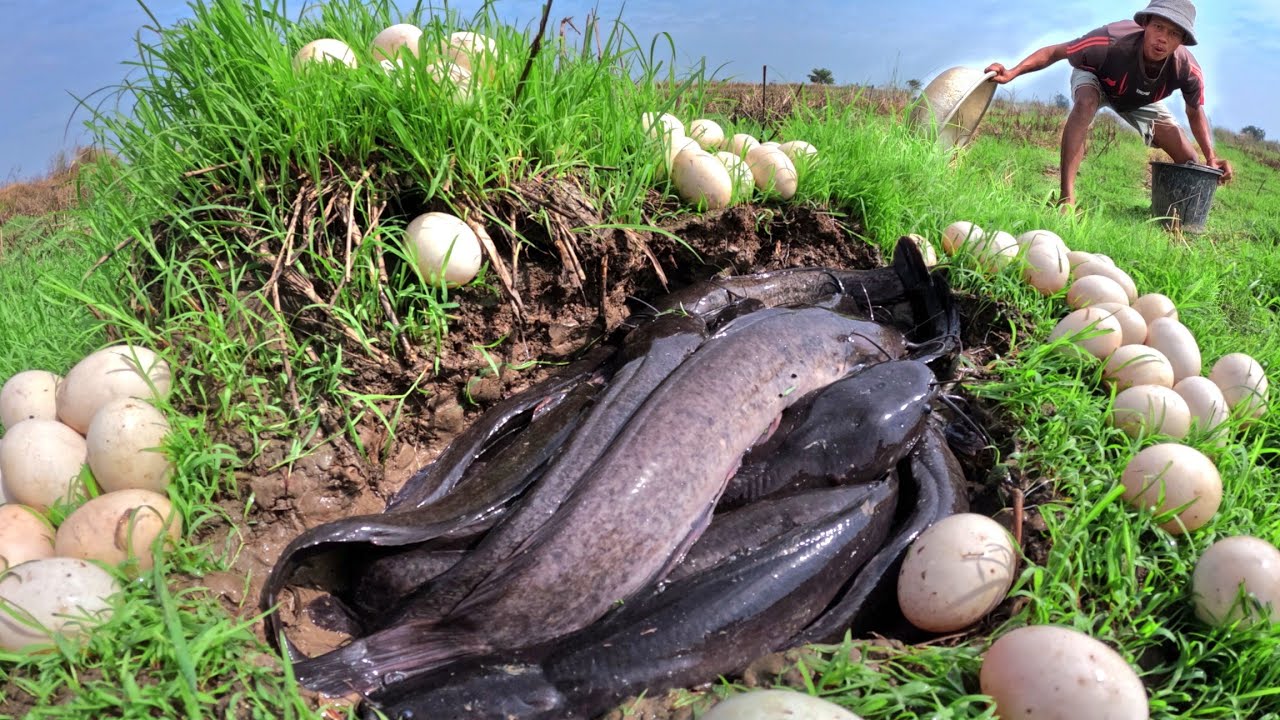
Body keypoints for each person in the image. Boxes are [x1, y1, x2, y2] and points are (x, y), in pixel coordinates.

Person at [984, 0, 1234, 210]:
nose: (1163, 39)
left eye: (1173, 34)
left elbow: (1194, 110)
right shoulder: (1107, 42)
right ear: (1145, 24)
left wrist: (1211, 158)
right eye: (1158, 27)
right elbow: (1055, 53)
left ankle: (1171, 216)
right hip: (1098, 78)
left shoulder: (1187, 70)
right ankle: (1066, 199)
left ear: (1182, 40)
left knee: (1189, 159)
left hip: (1139, 98)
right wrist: (1013, 72)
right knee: (1085, 102)